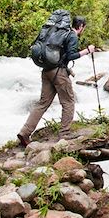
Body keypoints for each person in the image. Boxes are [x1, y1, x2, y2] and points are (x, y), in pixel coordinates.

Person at [17, 15, 94, 146]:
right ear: (81, 26)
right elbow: (70, 56)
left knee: (42, 103)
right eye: (84, 27)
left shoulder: (57, 33)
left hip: (46, 70)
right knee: (68, 101)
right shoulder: (72, 36)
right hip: (59, 73)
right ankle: (64, 134)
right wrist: (87, 51)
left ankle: (24, 132)